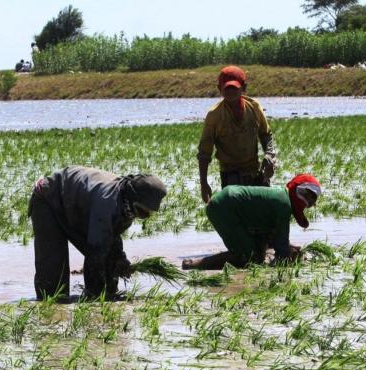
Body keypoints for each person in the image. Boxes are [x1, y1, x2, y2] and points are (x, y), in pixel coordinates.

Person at [29, 166, 167, 300]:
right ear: (133, 200)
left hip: (73, 205)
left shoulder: (125, 205)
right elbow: (95, 251)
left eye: (147, 214)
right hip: (48, 198)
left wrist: (119, 259)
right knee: (52, 279)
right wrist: (95, 296)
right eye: (142, 212)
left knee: (108, 262)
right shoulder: (107, 201)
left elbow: (111, 237)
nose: (143, 216)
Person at [183, 174, 321, 270]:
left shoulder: (282, 197)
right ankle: (194, 264)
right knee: (246, 258)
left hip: (226, 202)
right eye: (308, 197)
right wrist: (289, 256)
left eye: (311, 200)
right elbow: (282, 249)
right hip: (224, 207)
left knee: (257, 253)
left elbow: (272, 236)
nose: (308, 203)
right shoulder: (284, 204)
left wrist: (287, 247)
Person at [198, 65, 277, 204]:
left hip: (255, 171)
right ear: (219, 89)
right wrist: (203, 184)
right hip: (230, 175)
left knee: (262, 215)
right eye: (226, 88)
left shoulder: (254, 107)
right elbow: (204, 153)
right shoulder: (214, 115)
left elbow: (266, 134)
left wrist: (269, 154)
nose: (230, 92)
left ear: (244, 87)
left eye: (234, 88)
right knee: (238, 217)